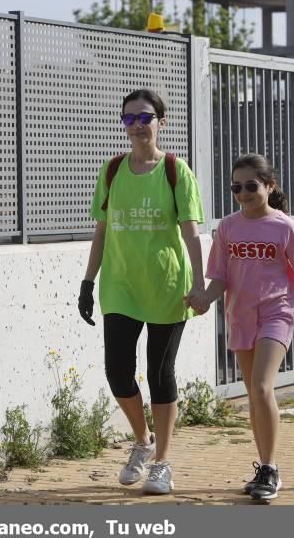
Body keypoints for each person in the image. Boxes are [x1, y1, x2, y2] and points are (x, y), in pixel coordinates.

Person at [187, 153, 294, 501]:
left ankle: (270, 468)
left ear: (270, 186)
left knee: (260, 386)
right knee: (254, 396)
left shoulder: (285, 227)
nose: (243, 193)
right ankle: (263, 467)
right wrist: (204, 299)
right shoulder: (227, 227)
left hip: (277, 312)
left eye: (251, 186)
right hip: (240, 316)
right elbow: (220, 277)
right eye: (236, 187)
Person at [78, 89, 205, 495]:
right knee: (117, 370)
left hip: (167, 286)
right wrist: (87, 282)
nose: (136, 126)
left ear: (160, 122)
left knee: (159, 374)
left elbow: (191, 232)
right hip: (120, 286)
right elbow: (101, 230)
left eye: (144, 117)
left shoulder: (175, 170)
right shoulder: (112, 170)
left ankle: (163, 463)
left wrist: (199, 284)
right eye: (129, 119)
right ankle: (143, 441)